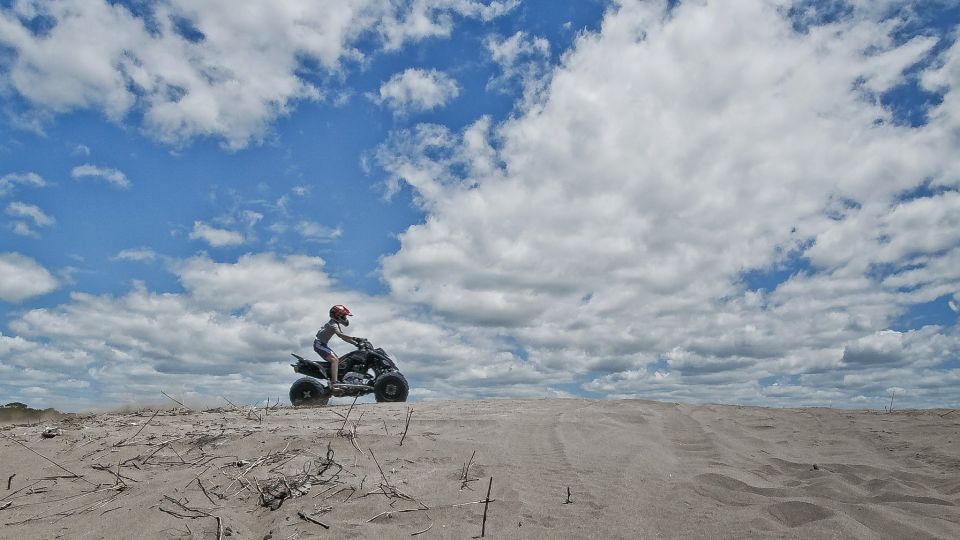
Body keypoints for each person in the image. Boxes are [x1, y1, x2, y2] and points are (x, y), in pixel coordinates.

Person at [314, 304, 359, 389]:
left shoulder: (335, 323)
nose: (345, 318)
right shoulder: (333, 324)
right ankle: (334, 382)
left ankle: (335, 378)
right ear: (337, 315)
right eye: (343, 316)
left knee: (339, 360)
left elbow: (342, 337)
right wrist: (355, 338)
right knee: (334, 360)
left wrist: (355, 343)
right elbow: (340, 335)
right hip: (319, 344)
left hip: (322, 344)